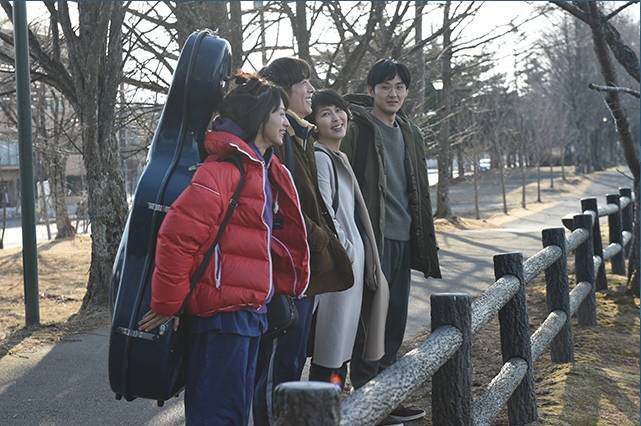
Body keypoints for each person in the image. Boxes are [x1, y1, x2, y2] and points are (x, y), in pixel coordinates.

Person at [138, 73, 310, 426]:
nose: (286, 122)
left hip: (250, 312)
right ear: (259, 117)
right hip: (222, 316)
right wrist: (167, 303)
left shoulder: (262, 169)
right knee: (218, 415)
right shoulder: (224, 171)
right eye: (280, 113)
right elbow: (177, 236)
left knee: (234, 413)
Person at [340, 58, 441, 424]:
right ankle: (367, 398)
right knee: (369, 321)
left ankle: (388, 397)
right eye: (385, 86)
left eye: (399, 87)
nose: (393, 93)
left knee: (395, 319)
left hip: (404, 236)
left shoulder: (410, 131)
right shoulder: (357, 129)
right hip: (371, 238)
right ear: (372, 90)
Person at [254, 57, 353, 425]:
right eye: (304, 83)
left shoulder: (300, 134)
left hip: (304, 265)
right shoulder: (279, 138)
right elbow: (285, 209)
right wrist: (322, 238)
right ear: (283, 90)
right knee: (278, 366)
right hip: (288, 266)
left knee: (293, 361)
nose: (312, 89)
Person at [307, 89, 389, 387]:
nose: (335, 118)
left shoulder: (336, 155)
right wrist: (348, 251)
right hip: (339, 266)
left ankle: (334, 404)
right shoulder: (320, 156)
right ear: (314, 123)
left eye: (339, 110)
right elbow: (325, 211)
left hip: (349, 265)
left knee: (340, 347)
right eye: (325, 113)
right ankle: (323, 407)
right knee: (331, 350)